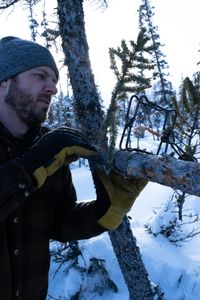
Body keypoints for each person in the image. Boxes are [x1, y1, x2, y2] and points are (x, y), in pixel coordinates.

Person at [0, 36, 147, 300]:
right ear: (4, 81)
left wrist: (108, 209)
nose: (53, 89)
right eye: (40, 76)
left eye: (55, 80)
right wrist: (38, 161)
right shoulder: (49, 152)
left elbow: (59, 224)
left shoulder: (50, 148)